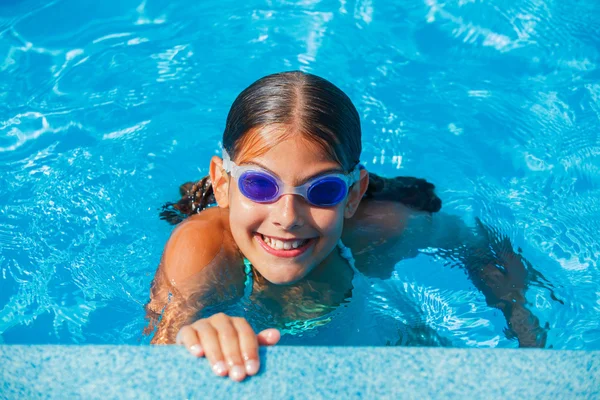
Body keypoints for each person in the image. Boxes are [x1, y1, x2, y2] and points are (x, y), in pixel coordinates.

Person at [144, 71, 550, 382]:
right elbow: (156, 360)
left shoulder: (377, 229)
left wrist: (523, 324)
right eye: (259, 184)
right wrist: (196, 338)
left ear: (354, 194)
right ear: (223, 184)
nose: (288, 216)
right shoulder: (201, 248)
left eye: (322, 190)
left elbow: (478, 246)